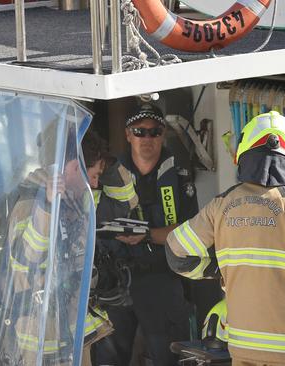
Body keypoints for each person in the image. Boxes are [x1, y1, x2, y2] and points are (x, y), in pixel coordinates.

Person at [165, 111, 285, 366]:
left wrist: (221, 268)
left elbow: (176, 255)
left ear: (244, 156)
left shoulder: (221, 205)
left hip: (241, 347)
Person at [94, 103, 198, 366]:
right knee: (108, 358)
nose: (147, 138)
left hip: (161, 277)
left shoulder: (179, 172)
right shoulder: (109, 173)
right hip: (114, 283)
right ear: (128, 134)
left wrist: (148, 235)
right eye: (140, 131)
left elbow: (190, 230)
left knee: (168, 357)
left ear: (163, 135)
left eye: (154, 132)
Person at [0, 129, 111, 366]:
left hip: (68, 333)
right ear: (73, 168)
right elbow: (26, 258)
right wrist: (46, 207)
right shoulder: (28, 203)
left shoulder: (75, 204)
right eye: (93, 174)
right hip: (37, 341)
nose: (95, 183)